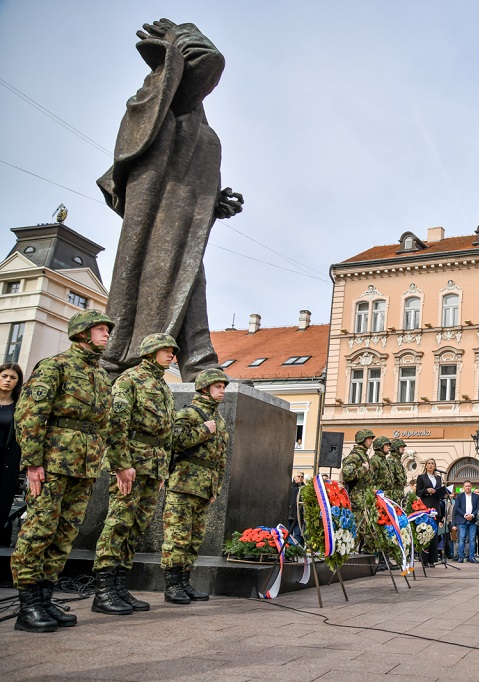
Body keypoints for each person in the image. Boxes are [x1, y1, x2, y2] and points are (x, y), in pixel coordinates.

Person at [99, 19, 243, 381]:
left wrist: (216, 202)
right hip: (158, 216)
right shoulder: (156, 107)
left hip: (185, 217)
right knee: (169, 276)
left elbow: (194, 176)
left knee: (190, 276)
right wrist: (178, 36)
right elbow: (211, 59)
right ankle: (133, 356)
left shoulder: (198, 126)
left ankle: (198, 361)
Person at [9, 310, 114, 632]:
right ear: (82, 333)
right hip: (53, 463)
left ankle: (44, 596)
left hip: (83, 467)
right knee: (40, 529)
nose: (106, 334)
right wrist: (32, 462)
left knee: (65, 533)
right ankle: (28, 604)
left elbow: (103, 425)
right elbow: (30, 415)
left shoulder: (100, 376)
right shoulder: (55, 366)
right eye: (100, 329)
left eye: (107, 330)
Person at [92, 333, 177, 615]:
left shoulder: (162, 385)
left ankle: (119, 586)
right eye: (166, 350)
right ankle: (103, 591)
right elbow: (116, 423)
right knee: (119, 523)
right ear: (150, 352)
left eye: (173, 351)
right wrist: (120, 464)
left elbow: (165, 432)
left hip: (153, 466)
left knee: (136, 526)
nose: (171, 355)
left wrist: (162, 469)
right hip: (131, 463)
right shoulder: (130, 379)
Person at [161, 368, 230, 604]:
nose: (222, 391)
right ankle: (172, 586)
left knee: (194, 540)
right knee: (177, 538)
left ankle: (184, 583)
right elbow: (175, 441)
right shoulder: (189, 413)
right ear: (204, 388)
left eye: (223, 387)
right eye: (218, 387)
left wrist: (215, 489)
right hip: (183, 486)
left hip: (204, 489)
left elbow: (220, 459)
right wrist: (203, 430)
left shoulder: (219, 420)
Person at [0, 363, 24, 547]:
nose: (7, 380)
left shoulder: (19, 408)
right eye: (4, 376)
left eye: (12, 377)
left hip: (6, 466)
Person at [415, 459, 446, 566]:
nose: (431, 465)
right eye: (429, 463)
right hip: (425, 506)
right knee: (425, 532)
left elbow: (439, 492)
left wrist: (443, 493)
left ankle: (432, 559)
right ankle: (424, 559)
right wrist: (426, 490)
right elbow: (418, 492)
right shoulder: (421, 477)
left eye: (433, 464)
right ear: (426, 466)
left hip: (436, 506)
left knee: (434, 533)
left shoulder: (438, 478)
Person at [452, 481, 479, 563]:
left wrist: (472, 515)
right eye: (466, 486)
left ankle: (471, 557)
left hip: (473, 520)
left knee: (472, 539)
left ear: (471, 486)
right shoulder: (459, 496)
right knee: (462, 539)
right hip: (462, 520)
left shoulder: (476, 496)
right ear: (463, 487)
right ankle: (461, 557)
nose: (468, 487)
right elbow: (457, 508)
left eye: (469, 486)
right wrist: (465, 515)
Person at [342, 429, 375, 495]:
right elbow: (347, 475)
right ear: (362, 439)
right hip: (356, 497)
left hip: (364, 496)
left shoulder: (364, 455)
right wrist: (363, 469)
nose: (371, 441)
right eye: (369, 438)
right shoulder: (355, 456)